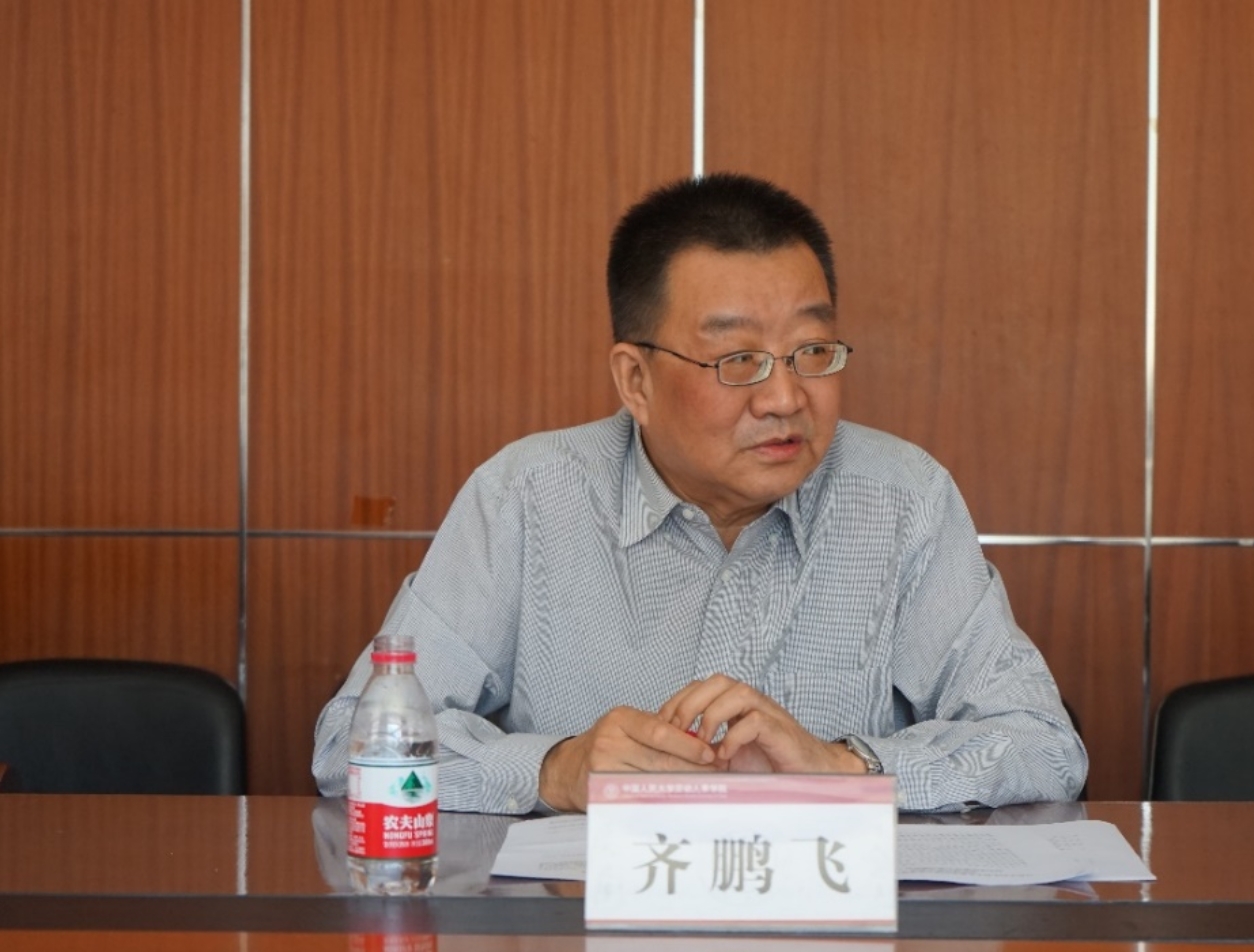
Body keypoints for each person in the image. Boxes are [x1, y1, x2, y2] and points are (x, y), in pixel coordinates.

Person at [313, 172, 1087, 813]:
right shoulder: (527, 496)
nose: (784, 397)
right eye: (737, 361)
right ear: (635, 381)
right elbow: (351, 743)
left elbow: (1044, 746)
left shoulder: (901, 498)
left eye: (812, 350)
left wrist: (843, 768)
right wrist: (552, 770)